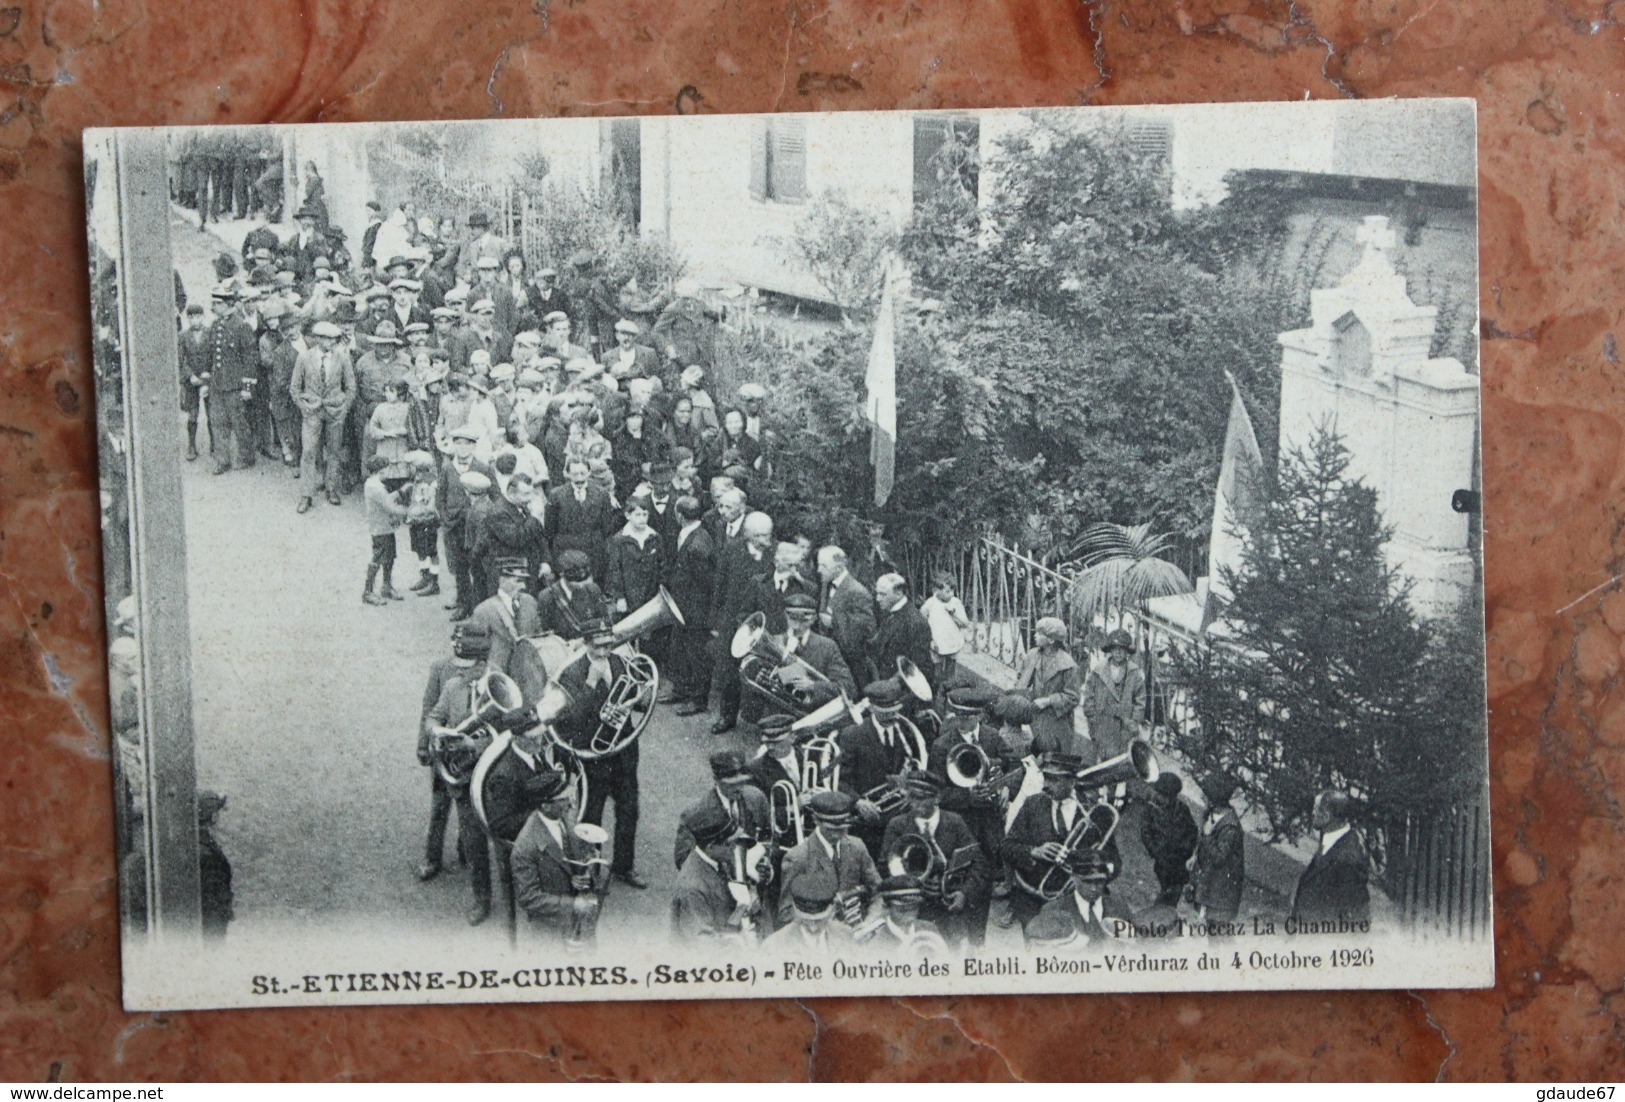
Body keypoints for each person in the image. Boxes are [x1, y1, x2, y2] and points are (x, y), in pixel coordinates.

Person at [553, 618, 647, 889]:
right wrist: (591, 685)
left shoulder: (619, 663)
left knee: (629, 811)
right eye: (598, 646)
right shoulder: (572, 673)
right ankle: (588, 869)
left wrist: (640, 696)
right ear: (586, 643)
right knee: (591, 815)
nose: (604, 651)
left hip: (623, 754)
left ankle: (623, 867)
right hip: (593, 759)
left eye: (608, 645)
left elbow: (635, 701)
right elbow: (569, 718)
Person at [423, 624, 499, 924]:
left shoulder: (500, 685)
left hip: (491, 775)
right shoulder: (454, 686)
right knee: (473, 839)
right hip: (462, 777)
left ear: (482, 665)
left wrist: (475, 744)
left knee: (493, 840)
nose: (461, 672)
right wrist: (437, 732)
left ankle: (498, 895)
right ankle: (482, 898)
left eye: (467, 667)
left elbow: (509, 732)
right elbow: (434, 715)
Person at [878, 769, 991, 948]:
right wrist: (917, 887)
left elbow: (979, 864)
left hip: (950, 910)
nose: (914, 804)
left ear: (937, 799)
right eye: (911, 797)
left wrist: (964, 893)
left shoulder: (955, 822)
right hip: (914, 911)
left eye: (921, 798)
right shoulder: (897, 825)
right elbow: (885, 867)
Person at [510, 770, 609, 946]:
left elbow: (568, 853)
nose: (570, 804)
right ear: (546, 806)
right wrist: (572, 905)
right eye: (563, 799)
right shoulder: (524, 847)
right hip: (551, 931)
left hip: (579, 922)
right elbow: (528, 897)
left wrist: (580, 871)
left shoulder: (562, 816)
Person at [929, 686, 1018, 874]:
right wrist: (968, 796)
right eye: (958, 715)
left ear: (979, 715)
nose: (961, 721)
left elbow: (1016, 765)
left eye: (967, 716)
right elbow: (936, 792)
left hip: (990, 822)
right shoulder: (942, 745)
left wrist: (1005, 788)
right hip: (961, 822)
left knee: (990, 872)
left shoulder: (992, 736)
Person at [836, 678, 926, 861]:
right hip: (868, 823)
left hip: (900, 816)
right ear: (871, 708)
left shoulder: (905, 730)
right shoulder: (853, 735)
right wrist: (858, 803)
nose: (893, 717)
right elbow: (839, 781)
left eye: (895, 711)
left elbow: (918, 764)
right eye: (886, 713)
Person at [416, 623, 480, 882]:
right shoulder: (440, 668)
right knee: (440, 806)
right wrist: (424, 744)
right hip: (444, 752)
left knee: (471, 806)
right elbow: (428, 708)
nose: (457, 646)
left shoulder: (486, 672)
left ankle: (465, 849)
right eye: (455, 640)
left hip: (472, 752)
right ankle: (432, 858)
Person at [1000, 751, 1088, 931]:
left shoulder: (1090, 811)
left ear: (1072, 782)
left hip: (1073, 901)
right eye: (1046, 778)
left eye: (1054, 780)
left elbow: (1113, 860)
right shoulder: (1033, 804)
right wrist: (1033, 851)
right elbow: (1006, 847)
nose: (1046, 785)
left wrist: (1085, 876)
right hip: (1032, 898)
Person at [707, 511, 774, 735]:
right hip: (732, 620)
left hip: (762, 621)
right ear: (747, 535)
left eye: (769, 534)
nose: (767, 540)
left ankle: (763, 719)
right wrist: (716, 620)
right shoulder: (731, 549)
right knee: (729, 670)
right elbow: (719, 584)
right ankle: (727, 716)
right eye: (761, 535)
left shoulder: (774, 553)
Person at [775, 790, 880, 929]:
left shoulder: (857, 846)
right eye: (830, 829)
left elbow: (878, 892)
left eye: (842, 829)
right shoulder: (798, 857)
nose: (837, 835)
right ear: (815, 820)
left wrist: (870, 921)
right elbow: (786, 913)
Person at [290, 320, 355, 511]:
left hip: (335, 411)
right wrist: (304, 407)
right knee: (309, 451)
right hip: (312, 411)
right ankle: (306, 494)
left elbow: (351, 387)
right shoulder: (304, 357)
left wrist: (344, 409)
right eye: (326, 338)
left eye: (333, 339)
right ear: (317, 339)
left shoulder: (342, 358)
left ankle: (331, 488)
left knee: (334, 450)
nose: (330, 342)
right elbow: (294, 387)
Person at [671, 802, 755, 945]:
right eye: (730, 844)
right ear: (711, 847)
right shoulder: (692, 887)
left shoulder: (715, 859)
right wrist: (737, 939)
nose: (736, 848)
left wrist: (742, 908)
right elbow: (702, 944)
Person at [434, 427, 495, 620]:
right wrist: (445, 519)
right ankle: (462, 601)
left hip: (475, 528)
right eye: (458, 443)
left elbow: (495, 496)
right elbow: (440, 497)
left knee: (476, 566)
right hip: (454, 526)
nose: (462, 448)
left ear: (474, 446)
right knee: (458, 566)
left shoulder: (483, 468)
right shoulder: (447, 468)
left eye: (467, 444)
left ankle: (476, 605)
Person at [674, 750, 771, 870]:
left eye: (742, 782)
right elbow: (683, 861)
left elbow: (768, 836)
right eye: (731, 784)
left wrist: (764, 861)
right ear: (716, 779)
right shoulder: (694, 814)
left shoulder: (756, 797)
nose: (739, 789)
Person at [1290, 789, 1371, 927]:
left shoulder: (1348, 857)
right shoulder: (1333, 840)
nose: (1312, 813)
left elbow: (1355, 917)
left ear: (1327, 816)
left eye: (1315, 809)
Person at [202, 283, 261, 475]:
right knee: (218, 422)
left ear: (227, 304)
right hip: (218, 385)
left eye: (217, 303)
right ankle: (223, 460)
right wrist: (206, 380)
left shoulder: (241, 326)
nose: (214, 307)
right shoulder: (215, 326)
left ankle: (246, 456)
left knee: (239, 423)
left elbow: (250, 358)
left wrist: (247, 386)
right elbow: (210, 354)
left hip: (235, 386)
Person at [666, 495, 716, 715]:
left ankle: (698, 699)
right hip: (685, 605)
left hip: (694, 609)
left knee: (696, 653)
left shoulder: (697, 544)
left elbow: (705, 582)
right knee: (681, 649)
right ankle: (681, 689)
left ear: (679, 515)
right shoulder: (693, 534)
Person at [1025, 849, 1131, 949]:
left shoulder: (1119, 905)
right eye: (1087, 882)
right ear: (1073, 878)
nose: (1093, 889)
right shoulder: (1052, 910)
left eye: (1099, 882)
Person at [1013, 617, 1086, 760]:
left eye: (1040, 633)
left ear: (1051, 640)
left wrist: (1048, 701)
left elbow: (1073, 697)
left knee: (1053, 760)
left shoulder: (1067, 665)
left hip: (1057, 723)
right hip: (1035, 718)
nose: (1035, 634)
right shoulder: (1033, 654)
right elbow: (1022, 682)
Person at [545, 456, 619, 584]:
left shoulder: (601, 495)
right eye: (575, 474)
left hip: (593, 552)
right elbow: (550, 530)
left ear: (589, 472)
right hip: (566, 553)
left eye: (582, 473)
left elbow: (607, 528)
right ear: (567, 474)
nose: (579, 478)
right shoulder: (556, 496)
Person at [464, 558, 544, 675]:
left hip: (529, 675)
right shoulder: (483, 611)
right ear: (502, 580)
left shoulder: (530, 602)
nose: (523, 586)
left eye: (524, 581)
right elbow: (474, 654)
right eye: (518, 581)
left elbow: (539, 636)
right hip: (499, 677)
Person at [1081, 628, 1146, 764]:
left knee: (1121, 759)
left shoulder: (1134, 673)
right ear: (1110, 650)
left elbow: (1140, 700)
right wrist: (1092, 716)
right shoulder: (1099, 671)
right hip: (1103, 721)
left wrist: (1134, 721)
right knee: (1101, 756)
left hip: (1125, 725)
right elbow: (1089, 694)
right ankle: (1101, 782)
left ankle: (1119, 783)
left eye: (1122, 649)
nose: (1118, 652)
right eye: (1115, 649)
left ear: (1127, 652)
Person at [1189, 772, 1246, 928]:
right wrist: (1195, 856)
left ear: (1213, 800)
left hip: (1221, 894)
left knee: (1220, 931)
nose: (1202, 796)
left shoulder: (1230, 828)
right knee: (1211, 927)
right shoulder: (1212, 814)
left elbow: (1219, 858)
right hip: (1212, 887)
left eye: (1205, 794)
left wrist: (1207, 835)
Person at [816, 545, 878, 686]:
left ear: (838, 568)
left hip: (849, 666)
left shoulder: (858, 592)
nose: (819, 570)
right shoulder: (826, 584)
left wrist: (834, 623)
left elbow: (867, 630)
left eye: (824, 566)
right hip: (828, 660)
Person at [604, 495, 667, 627]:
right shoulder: (619, 540)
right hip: (629, 597)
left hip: (650, 596)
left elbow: (662, 566)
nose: (642, 519)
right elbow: (614, 570)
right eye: (638, 515)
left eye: (645, 515)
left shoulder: (655, 537)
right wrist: (620, 597)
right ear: (628, 515)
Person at [871, 573, 937, 694]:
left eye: (883, 594)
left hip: (901, 693)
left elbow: (919, 668)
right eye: (877, 593)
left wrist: (890, 685)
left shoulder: (916, 622)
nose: (878, 598)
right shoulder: (888, 611)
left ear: (899, 593)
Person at [1141, 772, 1200, 908]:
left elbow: (1193, 831)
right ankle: (1159, 913)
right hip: (1163, 859)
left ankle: (1165, 911)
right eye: (1162, 795)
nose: (1164, 799)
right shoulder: (1151, 810)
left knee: (1175, 891)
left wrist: (1186, 849)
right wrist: (1156, 851)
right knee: (1167, 890)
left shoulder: (1182, 809)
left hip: (1179, 860)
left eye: (1169, 797)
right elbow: (1146, 833)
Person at [853, 874, 950, 955]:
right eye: (902, 909)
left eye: (914, 907)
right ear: (887, 907)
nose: (909, 913)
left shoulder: (930, 928)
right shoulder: (875, 939)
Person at [362, 455, 410, 605]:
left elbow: (387, 500)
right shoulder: (375, 487)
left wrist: (401, 492)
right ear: (381, 470)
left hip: (385, 527)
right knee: (378, 557)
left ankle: (386, 586)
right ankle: (368, 592)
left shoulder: (374, 484)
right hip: (380, 528)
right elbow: (390, 506)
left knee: (389, 556)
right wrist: (410, 511)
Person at [763, 880, 857, 954]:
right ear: (796, 914)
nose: (813, 928)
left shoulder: (847, 935)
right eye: (806, 921)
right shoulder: (774, 945)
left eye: (819, 921)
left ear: (831, 912)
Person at [535, 550, 611, 640]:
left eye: (584, 580)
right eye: (577, 582)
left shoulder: (593, 590)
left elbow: (605, 621)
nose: (582, 585)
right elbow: (545, 633)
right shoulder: (547, 597)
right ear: (563, 575)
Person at [919, 572, 973, 689]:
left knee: (950, 670)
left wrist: (954, 614)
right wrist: (930, 640)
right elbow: (922, 623)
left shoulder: (955, 603)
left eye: (952, 591)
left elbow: (965, 623)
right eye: (947, 591)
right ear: (936, 590)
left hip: (952, 640)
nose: (951, 594)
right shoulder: (930, 604)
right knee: (936, 671)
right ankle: (935, 691)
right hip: (937, 642)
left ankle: (949, 691)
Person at [403, 451, 442, 597]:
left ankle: (434, 582)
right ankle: (424, 577)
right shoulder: (417, 479)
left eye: (410, 465)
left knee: (431, 551)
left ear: (419, 467)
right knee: (420, 550)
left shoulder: (427, 482)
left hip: (426, 520)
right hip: (417, 521)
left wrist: (411, 512)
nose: (408, 468)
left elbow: (427, 504)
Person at [197, 791, 234, 941]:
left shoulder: (203, 843)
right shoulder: (206, 851)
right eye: (218, 813)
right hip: (212, 922)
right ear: (212, 816)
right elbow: (211, 895)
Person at [177, 304, 211, 461]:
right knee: (192, 413)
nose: (194, 320)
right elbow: (180, 359)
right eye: (191, 317)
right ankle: (191, 445)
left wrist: (207, 375)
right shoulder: (183, 336)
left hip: (207, 379)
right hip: (191, 382)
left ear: (203, 317)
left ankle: (215, 444)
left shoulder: (210, 333)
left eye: (198, 316)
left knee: (212, 412)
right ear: (187, 319)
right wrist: (190, 376)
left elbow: (214, 356)